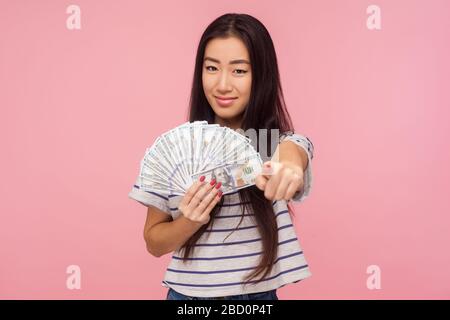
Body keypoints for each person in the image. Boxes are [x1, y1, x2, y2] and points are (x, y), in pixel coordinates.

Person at [128, 13, 315, 300]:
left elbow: (294, 153)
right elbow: (154, 243)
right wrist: (190, 220)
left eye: (239, 71)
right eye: (212, 68)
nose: (222, 85)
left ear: (261, 76)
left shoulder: (272, 144)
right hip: (187, 298)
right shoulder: (174, 151)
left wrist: (288, 168)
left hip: (257, 299)